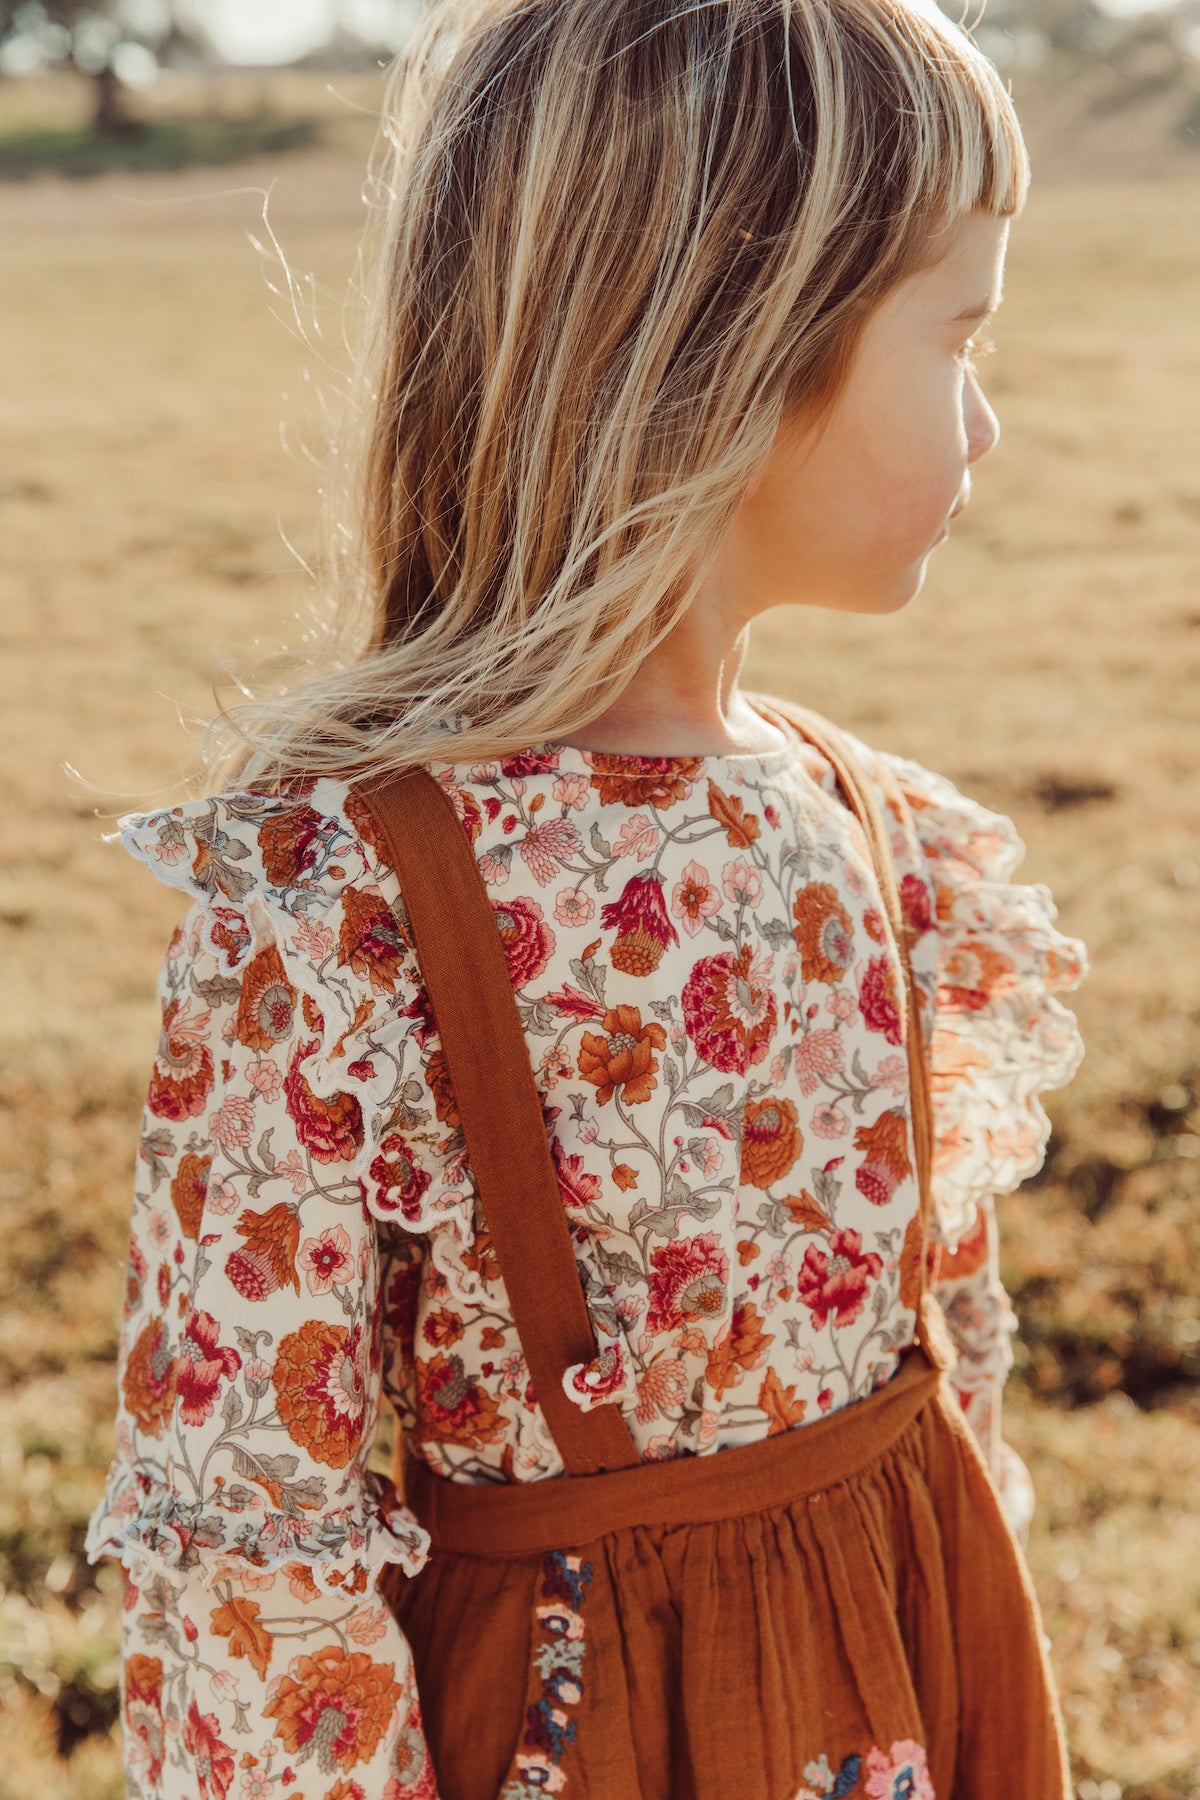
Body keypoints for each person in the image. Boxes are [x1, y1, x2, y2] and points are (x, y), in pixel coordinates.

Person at [86, 1, 1089, 1796]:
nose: (990, 422)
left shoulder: (883, 833)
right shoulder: (343, 905)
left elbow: (943, 1358)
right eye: (960, 337)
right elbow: (254, 1535)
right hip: (584, 1734)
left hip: (906, 1684)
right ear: (732, 346)